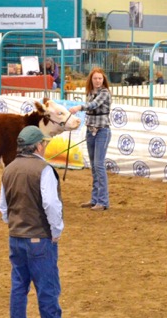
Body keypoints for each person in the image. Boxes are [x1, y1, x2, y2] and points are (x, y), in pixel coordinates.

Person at [0, 126, 78, 318]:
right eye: (44, 143)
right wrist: (56, 230)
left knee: (18, 287)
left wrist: (14, 224)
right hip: (39, 238)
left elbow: (3, 207)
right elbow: (51, 204)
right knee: (47, 288)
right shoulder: (44, 170)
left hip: (16, 237)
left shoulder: (9, 169)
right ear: (38, 146)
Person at [69, 67, 112, 211]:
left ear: (103, 79)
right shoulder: (90, 93)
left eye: (100, 78)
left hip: (102, 131)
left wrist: (79, 107)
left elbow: (93, 105)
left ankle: (103, 201)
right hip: (91, 131)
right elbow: (91, 109)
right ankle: (95, 199)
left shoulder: (105, 93)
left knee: (98, 165)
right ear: (91, 80)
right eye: (95, 78)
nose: (98, 81)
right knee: (94, 166)